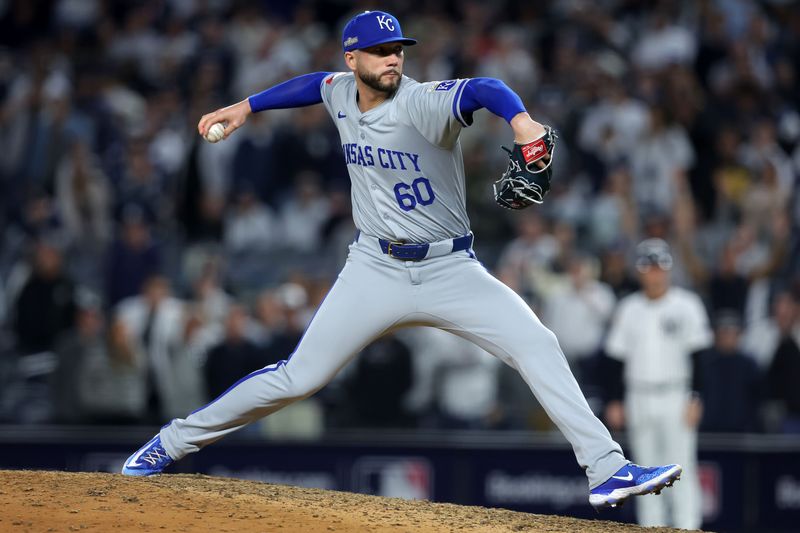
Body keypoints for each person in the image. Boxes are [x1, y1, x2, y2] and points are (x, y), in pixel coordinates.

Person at [121, 10, 682, 510]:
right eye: (381, 51)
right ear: (353, 58)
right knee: (298, 377)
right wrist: (247, 106)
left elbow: (484, 87)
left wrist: (521, 122)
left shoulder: (421, 101)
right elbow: (312, 85)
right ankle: (168, 443)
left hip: (450, 269)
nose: (393, 59)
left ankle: (607, 470)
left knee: (538, 343)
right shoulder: (342, 90)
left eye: (398, 50)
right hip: (375, 268)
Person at [604, 238, 712, 528]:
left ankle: (687, 527)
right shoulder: (629, 308)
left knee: (681, 467)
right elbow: (615, 359)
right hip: (638, 394)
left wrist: (696, 397)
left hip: (676, 393)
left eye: (658, 267)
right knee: (645, 471)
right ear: (640, 271)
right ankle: (651, 528)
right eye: (648, 267)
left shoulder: (687, 304)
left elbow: (701, 356)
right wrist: (614, 400)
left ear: (668, 269)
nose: (653, 273)